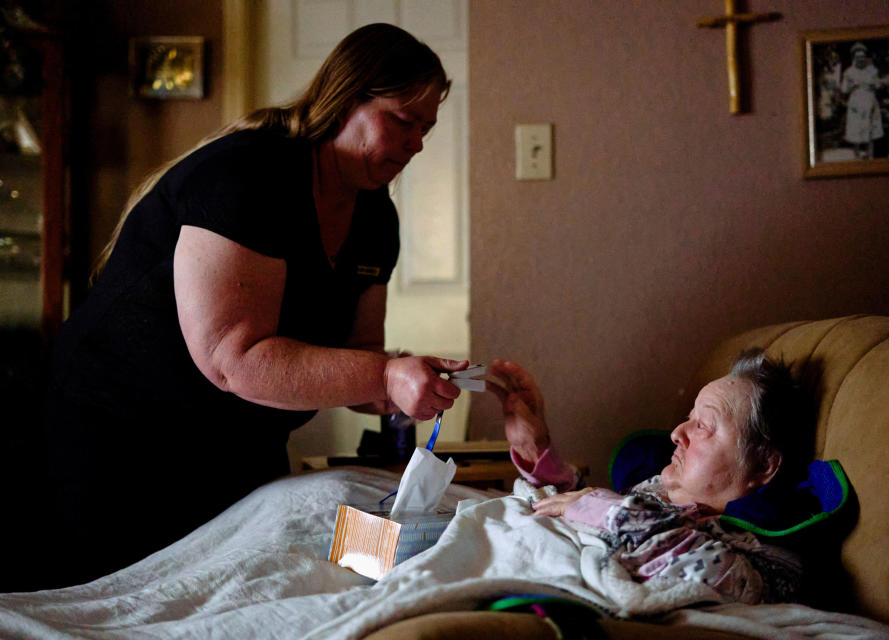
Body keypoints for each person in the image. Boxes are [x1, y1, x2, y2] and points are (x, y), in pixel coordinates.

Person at [38, 23, 467, 588]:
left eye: (426, 129)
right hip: (119, 440)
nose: (415, 143)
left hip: (240, 449)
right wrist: (385, 376)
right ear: (345, 99)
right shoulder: (248, 174)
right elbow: (233, 359)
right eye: (401, 121)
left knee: (245, 597)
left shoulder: (375, 218)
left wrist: (413, 383)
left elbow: (359, 357)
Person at [489, 349, 820, 605]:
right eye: (687, 418)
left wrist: (601, 507)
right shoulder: (659, 493)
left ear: (762, 466)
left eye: (703, 426)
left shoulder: (769, 551)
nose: (676, 433)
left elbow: (717, 574)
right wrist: (534, 446)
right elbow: (581, 507)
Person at [841, 42, 884, 159]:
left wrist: (873, 84)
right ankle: (857, 157)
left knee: (870, 130)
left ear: (866, 58)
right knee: (856, 130)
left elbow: (879, 85)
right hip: (856, 103)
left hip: (869, 102)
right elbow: (844, 89)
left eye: (863, 57)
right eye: (858, 57)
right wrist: (852, 86)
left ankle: (871, 156)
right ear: (854, 58)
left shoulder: (872, 70)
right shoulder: (849, 72)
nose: (861, 59)